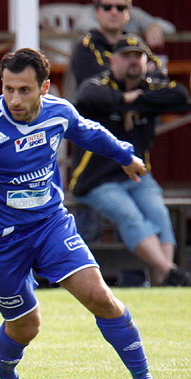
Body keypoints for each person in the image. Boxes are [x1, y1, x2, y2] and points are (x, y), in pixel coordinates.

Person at [0, 48, 183, 379]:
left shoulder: (58, 112)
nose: (14, 99)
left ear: (45, 87)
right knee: (26, 326)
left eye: (24, 90)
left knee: (101, 297)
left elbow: (87, 131)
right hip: (0, 241)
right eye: (8, 89)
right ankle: (2, 370)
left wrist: (124, 155)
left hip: (50, 225)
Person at [72, 34, 190, 286]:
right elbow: (88, 98)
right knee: (130, 215)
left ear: (147, 62)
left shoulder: (150, 87)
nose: (133, 62)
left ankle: (165, 278)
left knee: (159, 212)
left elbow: (180, 96)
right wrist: (126, 101)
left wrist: (138, 99)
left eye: (138, 56)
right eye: (126, 57)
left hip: (137, 175)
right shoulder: (100, 84)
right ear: (113, 62)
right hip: (96, 179)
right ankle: (169, 273)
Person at [76, 3, 176, 49]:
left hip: (127, 74)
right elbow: (83, 25)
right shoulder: (87, 13)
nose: (114, 12)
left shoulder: (134, 14)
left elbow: (170, 28)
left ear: (128, 11)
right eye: (107, 7)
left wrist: (155, 26)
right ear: (97, 10)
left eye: (120, 7)